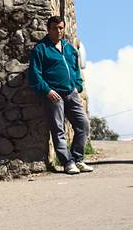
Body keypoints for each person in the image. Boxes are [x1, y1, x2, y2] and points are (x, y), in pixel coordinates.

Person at [28, 15, 92, 174]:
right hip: (53, 95)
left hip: (71, 93)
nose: (58, 31)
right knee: (58, 130)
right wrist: (47, 90)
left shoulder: (69, 48)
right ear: (48, 29)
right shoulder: (41, 49)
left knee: (83, 124)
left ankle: (78, 159)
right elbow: (34, 75)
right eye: (55, 28)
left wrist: (77, 86)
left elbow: (76, 70)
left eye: (61, 28)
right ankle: (67, 162)